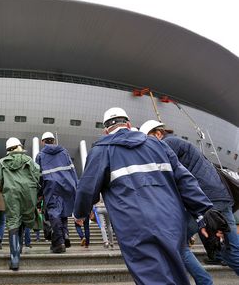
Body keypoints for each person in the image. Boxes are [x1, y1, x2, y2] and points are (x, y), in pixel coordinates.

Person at [74, 107, 217, 285]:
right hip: (171, 221)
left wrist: (80, 214)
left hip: (134, 224)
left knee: (151, 276)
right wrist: (204, 212)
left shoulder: (101, 151)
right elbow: (185, 179)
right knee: (177, 273)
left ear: (106, 130)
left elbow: (87, 188)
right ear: (128, 124)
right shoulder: (158, 144)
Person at [140, 119, 239, 277]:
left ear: (158, 134)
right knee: (232, 252)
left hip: (207, 200)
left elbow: (165, 177)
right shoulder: (179, 143)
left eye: (147, 140)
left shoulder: (168, 143)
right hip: (220, 198)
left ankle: (204, 281)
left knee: (174, 241)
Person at [0, 137, 41, 270]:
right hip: (29, 192)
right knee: (23, 219)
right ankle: (19, 248)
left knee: (13, 220)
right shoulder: (29, 160)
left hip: (11, 193)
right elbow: (37, 175)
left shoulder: (2, 162)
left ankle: (14, 258)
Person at [35, 132, 77, 253]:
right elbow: (72, 170)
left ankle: (59, 243)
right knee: (62, 211)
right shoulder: (64, 152)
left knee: (54, 212)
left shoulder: (41, 155)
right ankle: (65, 234)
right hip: (67, 184)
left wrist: (39, 194)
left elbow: (39, 177)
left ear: (43, 142)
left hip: (51, 187)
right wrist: (75, 187)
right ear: (53, 141)